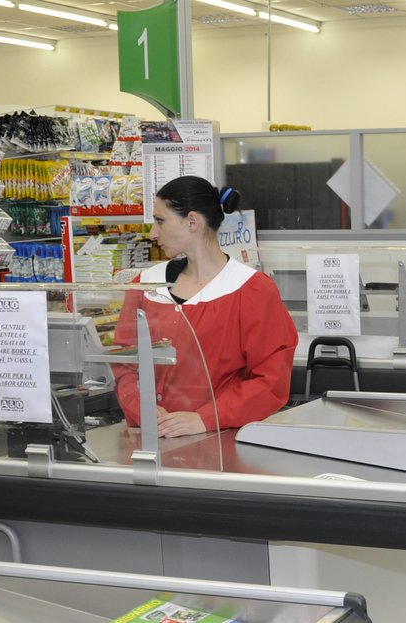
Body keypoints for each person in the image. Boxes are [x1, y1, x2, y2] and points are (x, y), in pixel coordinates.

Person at [114, 177, 298, 437]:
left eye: (160, 220)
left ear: (192, 222)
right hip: (150, 440)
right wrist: (141, 408)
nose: (153, 233)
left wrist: (206, 419)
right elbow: (124, 361)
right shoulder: (145, 286)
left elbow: (271, 380)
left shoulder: (251, 289)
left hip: (220, 441)